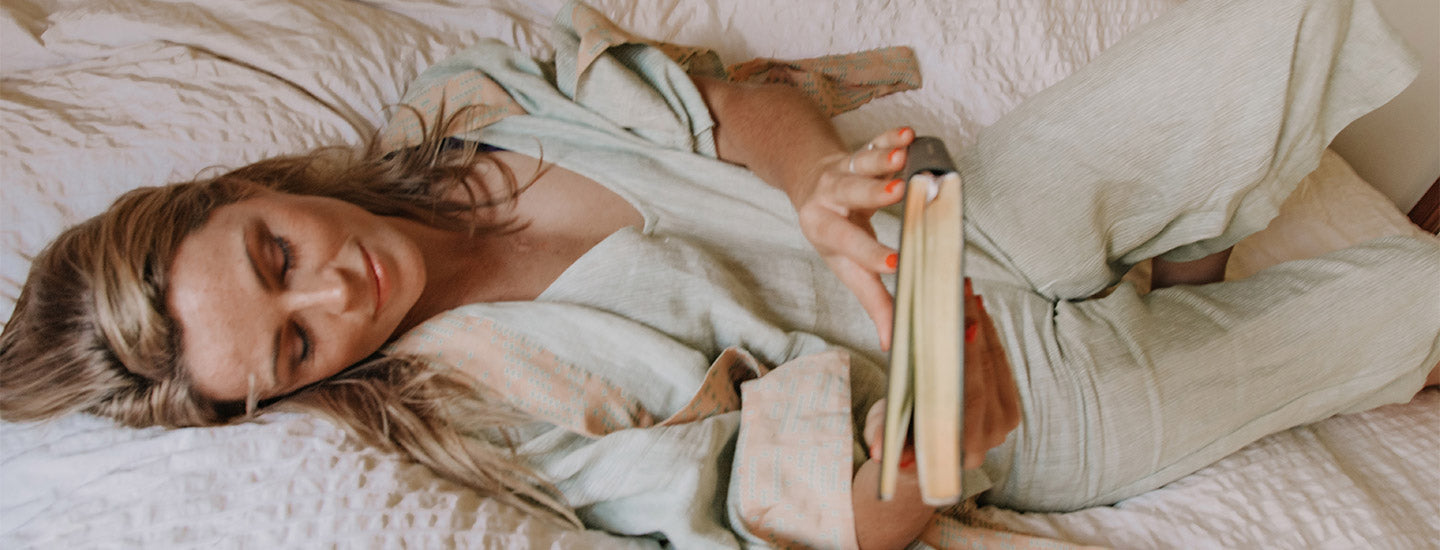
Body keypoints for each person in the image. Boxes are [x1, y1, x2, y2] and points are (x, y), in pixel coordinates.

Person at [2, 0, 1438, 548]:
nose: (338, 294)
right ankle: (1193, 282)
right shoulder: (480, 411)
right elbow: (789, 520)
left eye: (278, 258)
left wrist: (811, 176)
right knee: (1409, 311)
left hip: (966, 214)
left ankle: (1174, 242)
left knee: (1292, 19)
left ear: (247, 191)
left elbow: (733, 88)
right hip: (1018, 403)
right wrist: (937, 461)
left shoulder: (461, 116)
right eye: (298, 345)